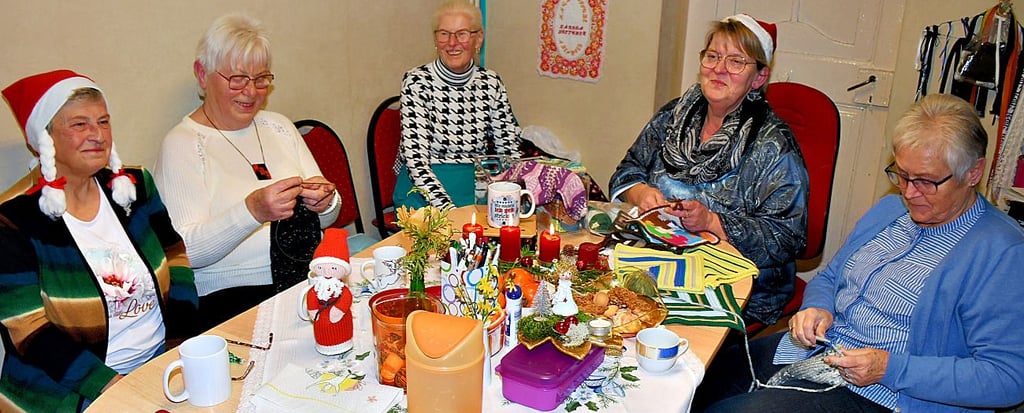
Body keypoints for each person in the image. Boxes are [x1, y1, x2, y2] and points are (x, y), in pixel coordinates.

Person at [695, 94, 1024, 413]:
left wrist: (889, 368)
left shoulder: (1003, 252)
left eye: (925, 181)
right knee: (697, 378)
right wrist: (818, 307)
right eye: (902, 175)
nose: (909, 193)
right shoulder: (890, 210)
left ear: (973, 173)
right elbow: (831, 276)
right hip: (821, 352)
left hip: (884, 393)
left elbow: (1008, 378)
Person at [0, 70, 199, 411]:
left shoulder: (134, 186)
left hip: (160, 365)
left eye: (103, 122)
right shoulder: (13, 220)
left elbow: (175, 255)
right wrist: (117, 389)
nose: (97, 135)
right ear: (43, 139)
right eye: (79, 124)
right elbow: (29, 330)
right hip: (71, 392)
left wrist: (178, 345)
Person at [609, 14, 809, 327]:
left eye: (736, 61)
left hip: (739, 283)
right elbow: (627, 171)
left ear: (759, 77)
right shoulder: (675, 114)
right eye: (713, 56)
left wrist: (712, 221)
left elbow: (788, 237)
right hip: (660, 259)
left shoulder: (772, 144)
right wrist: (641, 192)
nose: (719, 68)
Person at [153, 14, 339, 331]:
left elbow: (327, 217)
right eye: (237, 79)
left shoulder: (279, 126)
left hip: (310, 278)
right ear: (202, 75)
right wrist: (251, 212)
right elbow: (185, 252)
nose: (251, 92)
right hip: (231, 299)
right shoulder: (182, 144)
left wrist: (325, 203)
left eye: (261, 78)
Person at [394, 0, 522, 209]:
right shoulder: (417, 81)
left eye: (462, 34)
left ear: (478, 39)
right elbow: (416, 162)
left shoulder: (491, 82)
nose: (452, 43)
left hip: (476, 189)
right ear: (435, 39)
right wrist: (449, 211)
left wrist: (506, 196)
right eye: (444, 34)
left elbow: (509, 153)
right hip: (423, 192)